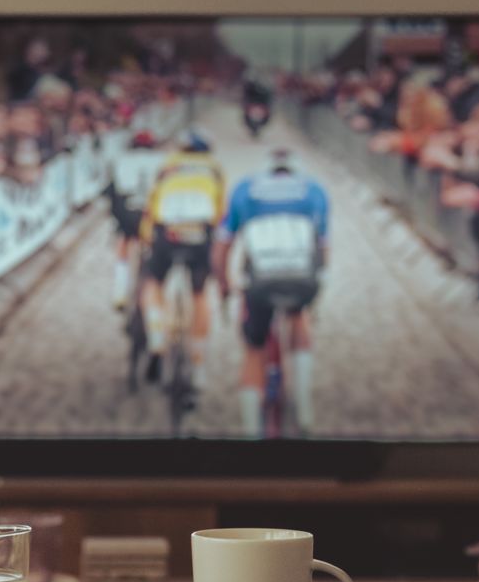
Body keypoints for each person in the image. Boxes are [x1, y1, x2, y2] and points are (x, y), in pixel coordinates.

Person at [212, 148, 329, 437]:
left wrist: (224, 284)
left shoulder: (245, 189)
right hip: (302, 279)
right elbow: (323, 247)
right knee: (299, 317)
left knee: (254, 348)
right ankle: (303, 404)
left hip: (261, 282)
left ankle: (251, 428)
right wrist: (318, 285)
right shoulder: (314, 190)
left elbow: (223, 246)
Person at [138, 129, 227, 390]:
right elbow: (221, 211)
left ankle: (156, 340)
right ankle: (198, 364)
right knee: (200, 294)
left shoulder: (168, 165)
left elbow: (151, 205)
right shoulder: (214, 168)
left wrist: (146, 237)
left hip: (168, 231)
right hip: (200, 232)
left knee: (153, 283)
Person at [107, 129, 166, 310]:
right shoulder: (162, 160)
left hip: (128, 208)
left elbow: (113, 192)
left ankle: (119, 292)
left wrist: (116, 219)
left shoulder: (122, 160)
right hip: (150, 212)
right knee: (153, 252)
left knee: (123, 245)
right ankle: (152, 300)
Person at [7, 38, 51, 102]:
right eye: (40, 49)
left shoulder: (42, 69)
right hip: (20, 102)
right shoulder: (19, 69)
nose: (45, 52)